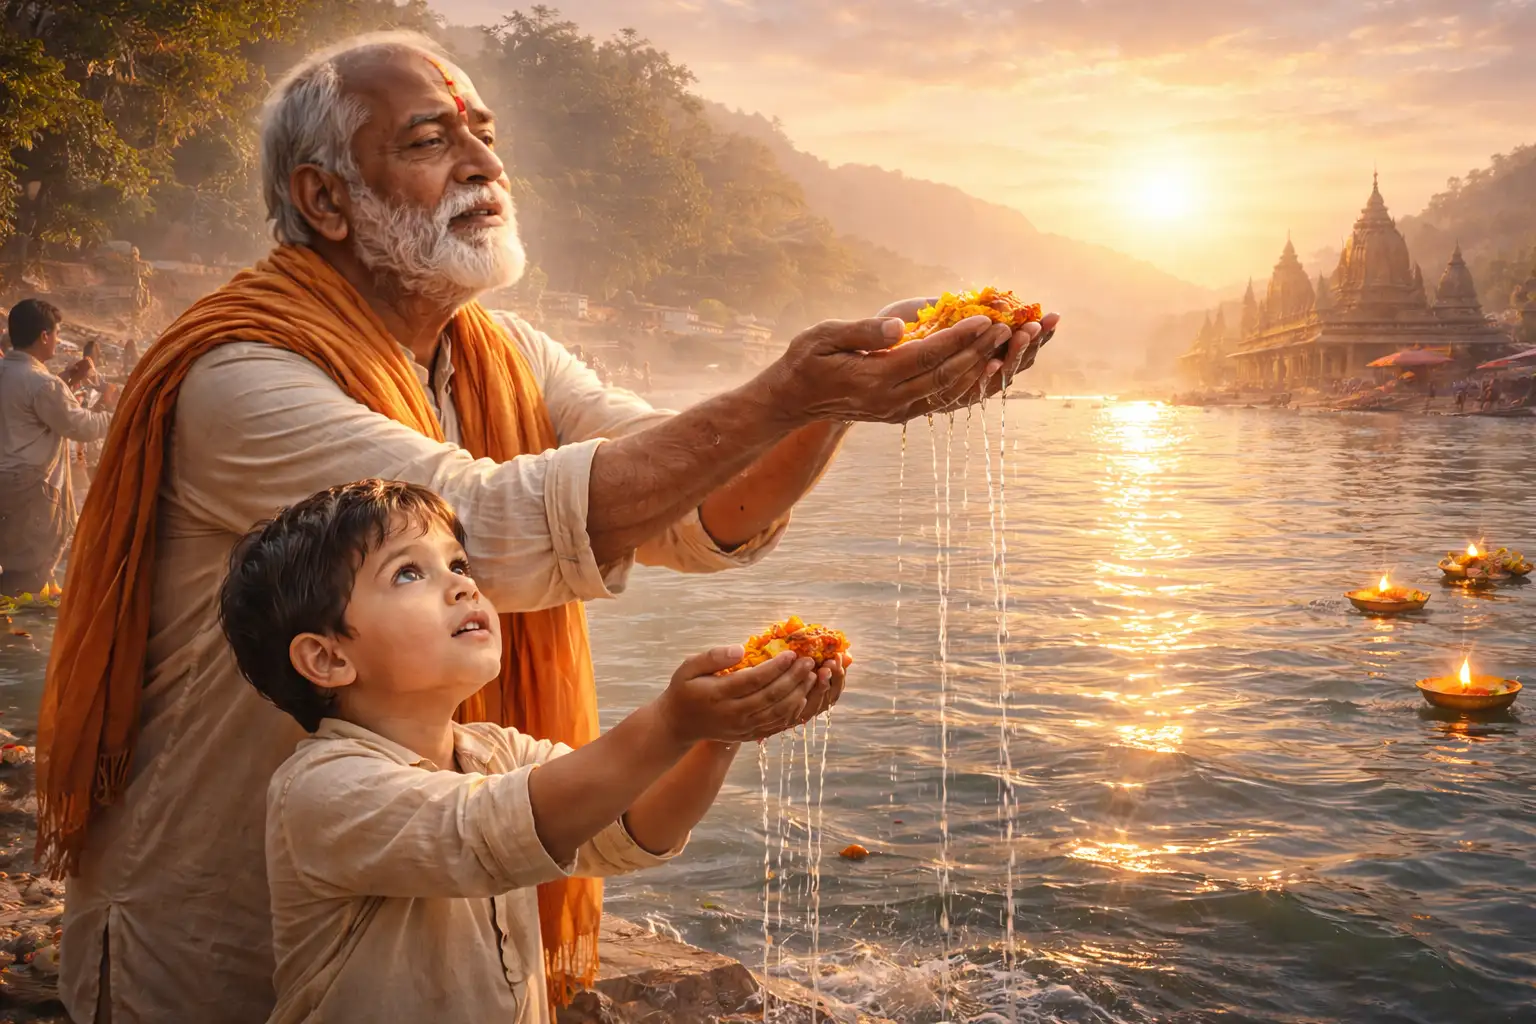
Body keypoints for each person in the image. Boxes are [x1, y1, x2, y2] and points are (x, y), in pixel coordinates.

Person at [37, 31, 1057, 1024]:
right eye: (432, 141)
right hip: (216, 930)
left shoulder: (498, 352)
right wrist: (789, 393)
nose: (484, 162)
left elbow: (698, 505)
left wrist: (853, 389)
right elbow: (493, 529)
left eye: (484, 131)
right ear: (325, 199)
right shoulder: (241, 375)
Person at [220, 479, 824, 1024]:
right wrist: (670, 721)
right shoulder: (323, 789)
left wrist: (721, 732)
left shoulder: (495, 751)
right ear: (328, 658)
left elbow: (628, 827)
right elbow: (488, 829)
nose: (463, 585)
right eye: (409, 573)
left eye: (458, 563)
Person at [0, 300, 117, 595]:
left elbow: (30, 403)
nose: (57, 339)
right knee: (29, 577)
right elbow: (82, 426)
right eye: (56, 333)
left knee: (10, 566)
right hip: (31, 494)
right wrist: (119, 414)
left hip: (6, 487)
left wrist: (68, 380)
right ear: (43, 336)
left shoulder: (13, 373)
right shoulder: (43, 384)